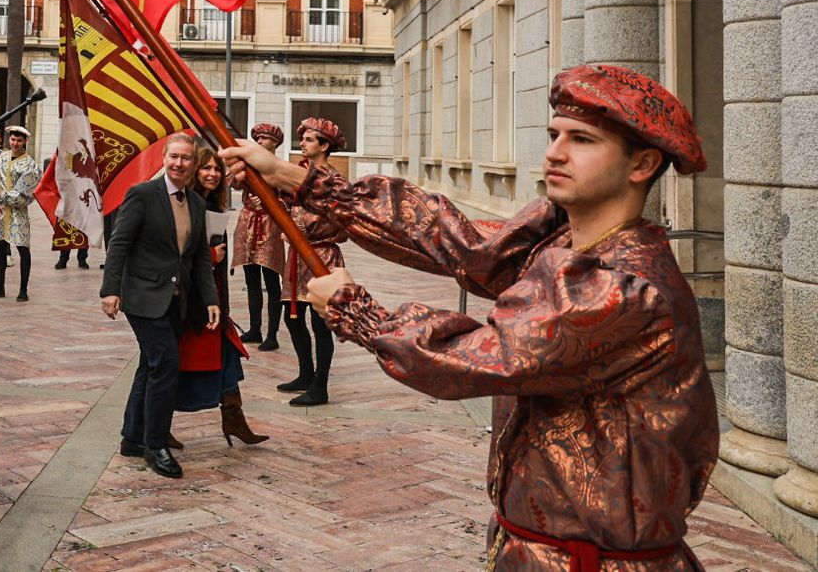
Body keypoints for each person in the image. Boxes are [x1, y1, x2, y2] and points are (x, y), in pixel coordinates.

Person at [222, 65, 717, 570]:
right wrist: (296, 178)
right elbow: (456, 241)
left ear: (642, 165)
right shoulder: (559, 237)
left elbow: (485, 356)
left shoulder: (627, 285)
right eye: (554, 134)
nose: (555, 152)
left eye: (582, 140)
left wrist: (359, 311)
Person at [99, 134, 219, 479]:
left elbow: (197, 258)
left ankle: (132, 437)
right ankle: (156, 445)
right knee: (166, 363)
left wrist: (210, 299)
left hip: (176, 299)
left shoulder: (197, 203)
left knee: (149, 366)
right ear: (164, 159)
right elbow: (119, 243)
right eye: (174, 157)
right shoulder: (142, 195)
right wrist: (110, 290)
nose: (180, 164)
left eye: (186, 159)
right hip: (142, 296)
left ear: (193, 164)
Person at [172, 145, 266, 447]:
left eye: (216, 169)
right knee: (177, 369)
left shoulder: (212, 203)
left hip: (212, 300)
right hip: (191, 304)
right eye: (206, 168)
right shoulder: (186, 204)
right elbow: (176, 252)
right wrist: (211, 254)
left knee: (227, 357)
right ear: (195, 171)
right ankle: (154, 424)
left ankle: (234, 419)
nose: (213, 174)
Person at [274, 117, 350, 407]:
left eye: (308, 139)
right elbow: (284, 202)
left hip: (322, 256)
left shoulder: (336, 180)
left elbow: (343, 220)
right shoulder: (299, 174)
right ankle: (305, 374)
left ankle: (321, 386)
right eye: (302, 138)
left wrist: (308, 227)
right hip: (296, 257)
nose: (302, 144)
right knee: (291, 316)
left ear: (324, 145)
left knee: (321, 323)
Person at [230, 123, 286, 351]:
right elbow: (233, 184)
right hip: (248, 222)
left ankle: (272, 334)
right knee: (251, 280)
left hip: (270, 225)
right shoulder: (250, 165)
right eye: (258, 138)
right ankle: (255, 329)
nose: (261, 141)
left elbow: (290, 199)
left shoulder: (281, 168)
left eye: (265, 138)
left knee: (272, 281)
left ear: (275, 143)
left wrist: (271, 203)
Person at [0, 126, 39, 302]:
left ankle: (23, 289)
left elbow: (26, 192)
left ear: (25, 141)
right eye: (12, 140)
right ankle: (0, 287)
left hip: (18, 212)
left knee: (23, 249)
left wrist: (3, 197)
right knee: (0, 248)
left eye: (19, 140)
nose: (15, 143)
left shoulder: (30, 165)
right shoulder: (2, 157)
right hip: (2, 212)